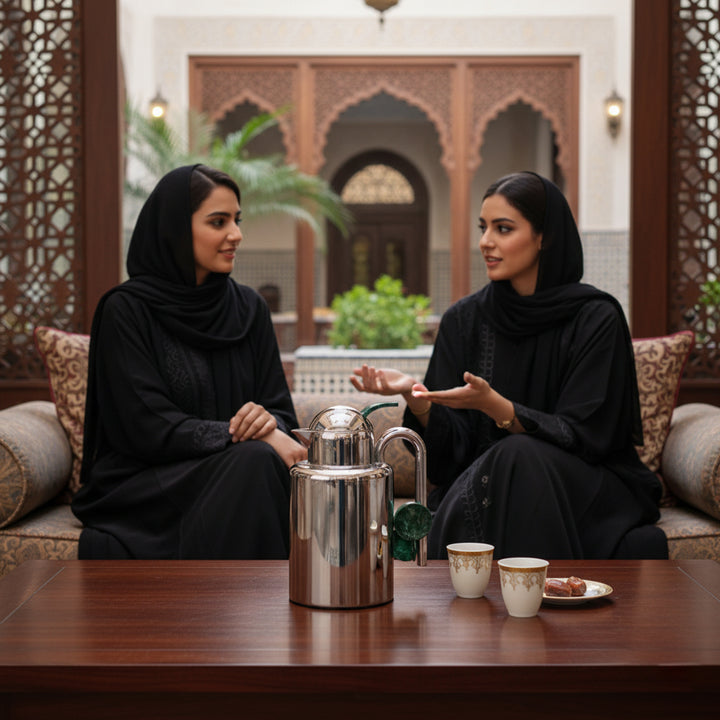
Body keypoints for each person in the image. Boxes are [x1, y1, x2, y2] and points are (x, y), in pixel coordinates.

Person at [351, 171, 667, 560]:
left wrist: (497, 407)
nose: (486, 242)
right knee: (512, 458)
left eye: (503, 229)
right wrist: (417, 400)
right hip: (484, 487)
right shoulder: (463, 320)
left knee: (519, 454)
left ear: (544, 236)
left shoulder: (596, 318)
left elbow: (589, 435)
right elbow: (450, 457)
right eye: (484, 228)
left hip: (583, 484)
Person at [71, 164, 306, 559]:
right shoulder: (126, 310)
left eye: (236, 220)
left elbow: (281, 411)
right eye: (218, 222)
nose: (236, 234)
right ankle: (251, 617)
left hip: (241, 469)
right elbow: (145, 425)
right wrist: (244, 434)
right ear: (176, 228)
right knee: (254, 462)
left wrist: (269, 423)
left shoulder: (249, 309)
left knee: (256, 463)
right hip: (147, 483)